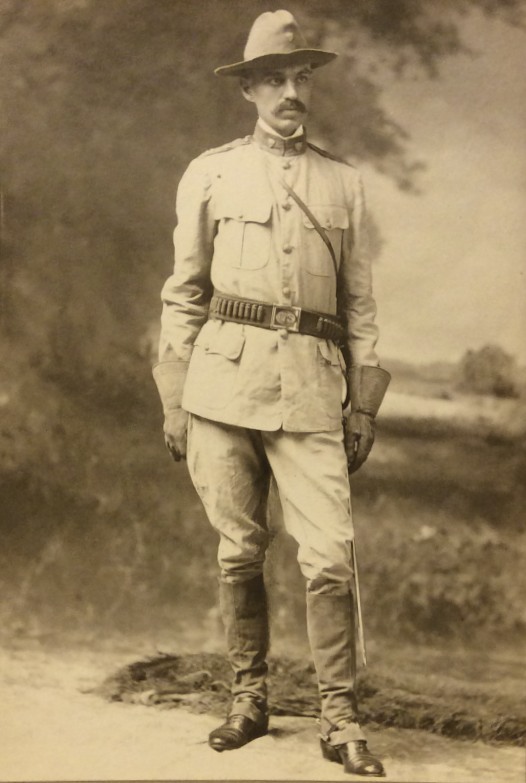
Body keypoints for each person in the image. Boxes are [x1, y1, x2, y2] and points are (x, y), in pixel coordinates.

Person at [153, 9, 390, 778]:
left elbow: (360, 307)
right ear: (249, 89)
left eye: (302, 78)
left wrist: (362, 402)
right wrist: (173, 394)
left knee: (328, 556)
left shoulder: (344, 183)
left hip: (314, 394)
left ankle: (340, 717)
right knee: (239, 549)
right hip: (221, 385)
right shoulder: (212, 171)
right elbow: (184, 293)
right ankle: (248, 700)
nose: (294, 91)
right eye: (278, 79)